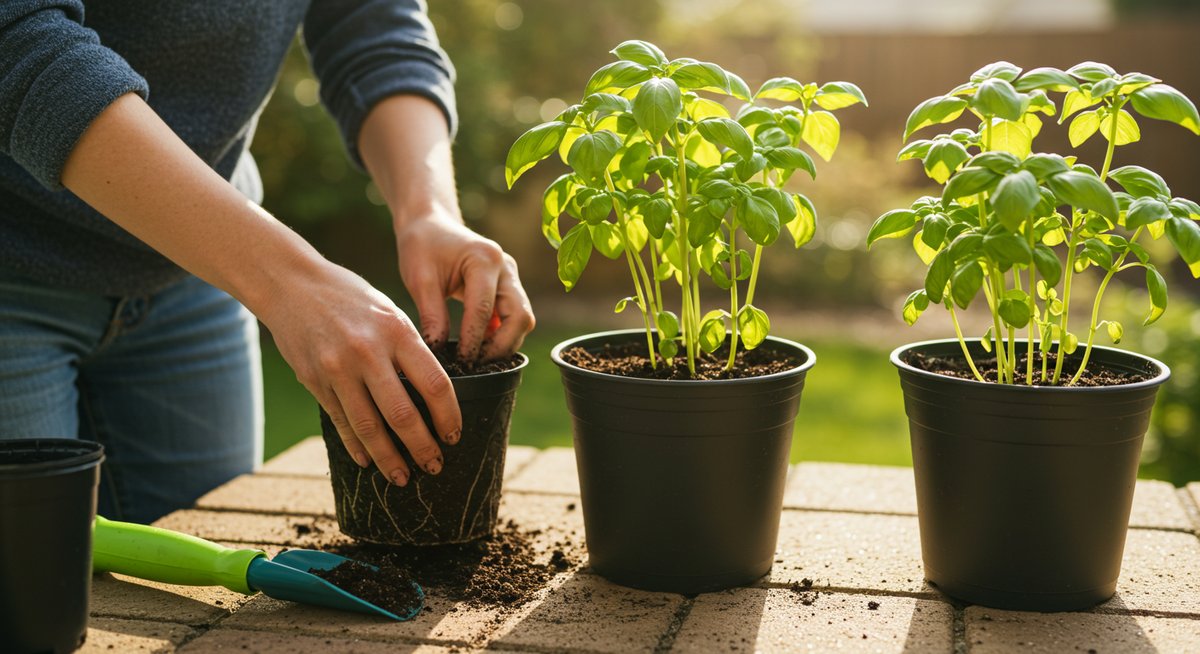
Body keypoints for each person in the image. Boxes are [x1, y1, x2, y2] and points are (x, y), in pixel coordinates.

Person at [0, 0, 535, 523]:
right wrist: (288, 282)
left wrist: (428, 211)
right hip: (16, 266)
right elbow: (18, 37)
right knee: (31, 595)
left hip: (191, 278)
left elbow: (371, 23)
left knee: (201, 580)